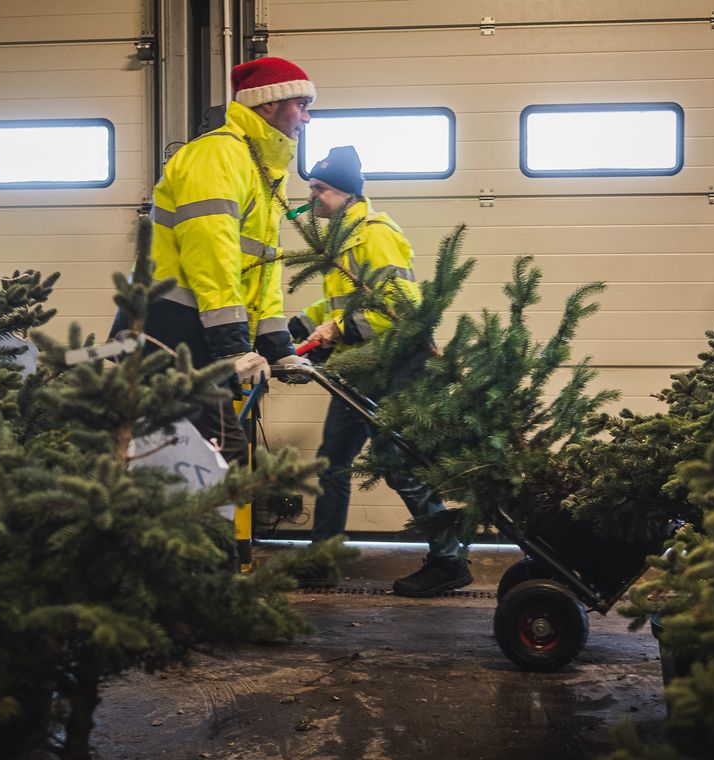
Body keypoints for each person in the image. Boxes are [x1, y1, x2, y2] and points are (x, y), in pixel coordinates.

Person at [110, 57, 313, 463]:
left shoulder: (261, 168)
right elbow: (211, 254)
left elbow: (262, 269)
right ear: (268, 104)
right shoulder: (217, 155)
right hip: (170, 328)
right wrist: (232, 346)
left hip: (199, 331)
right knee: (209, 456)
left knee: (200, 457)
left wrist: (277, 346)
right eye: (301, 105)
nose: (307, 118)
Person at [289, 146, 473, 597]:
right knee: (333, 463)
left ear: (348, 193)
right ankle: (323, 560)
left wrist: (342, 328)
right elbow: (341, 303)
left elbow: (404, 310)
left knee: (400, 467)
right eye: (310, 186)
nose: (311, 196)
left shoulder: (375, 235)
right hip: (358, 367)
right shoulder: (340, 240)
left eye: (321, 189)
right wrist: (301, 325)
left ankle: (450, 560)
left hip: (396, 368)